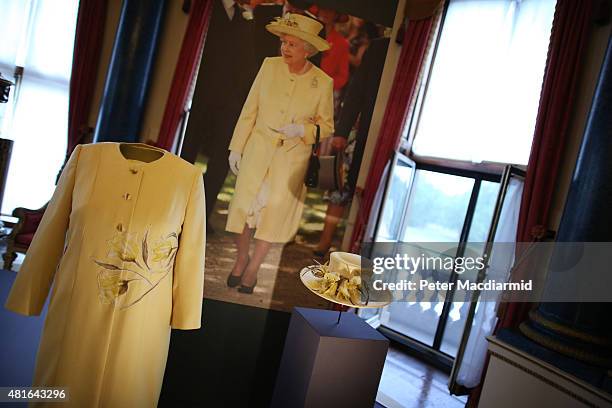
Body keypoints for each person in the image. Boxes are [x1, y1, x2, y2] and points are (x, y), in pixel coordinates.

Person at [225, 13, 334, 293]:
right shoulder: (268, 66)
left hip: (291, 159)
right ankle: (240, 259)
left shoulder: (322, 82)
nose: (285, 48)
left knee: (272, 215)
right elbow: (250, 109)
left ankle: (253, 268)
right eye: (284, 43)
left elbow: (327, 126)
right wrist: (236, 147)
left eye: (292, 45)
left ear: (308, 50)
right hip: (257, 150)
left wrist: (303, 131)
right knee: (244, 209)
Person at [180, 0, 258, 231]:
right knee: (187, 152)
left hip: (230, 104)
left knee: (220, 161)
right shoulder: (205, 8)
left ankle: (201, 216)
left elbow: (247, 64)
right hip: (199, 96)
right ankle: (176, 208)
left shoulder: (245, 17)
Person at [315, 37, 390, 256]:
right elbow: (356, 90)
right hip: (362, 130)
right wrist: (341, 131)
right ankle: (325, 242)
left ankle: (354, 246)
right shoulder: (378, 47)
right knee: (340, 187)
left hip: (390, 138)